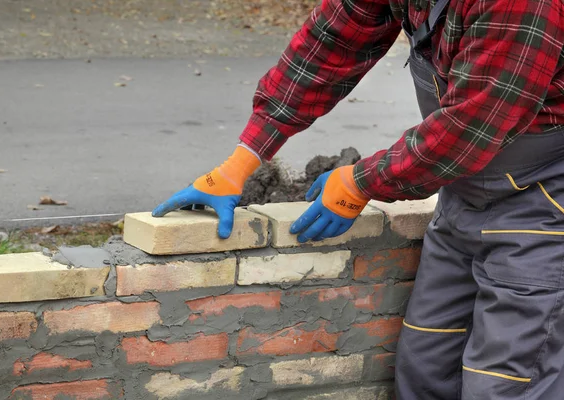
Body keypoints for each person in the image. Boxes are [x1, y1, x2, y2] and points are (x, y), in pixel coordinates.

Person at [152, 0, 564, 398]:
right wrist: (239, 164)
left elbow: (472, 126)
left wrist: (360, 183)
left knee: (504, 383)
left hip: (544, 201)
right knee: (425, 367)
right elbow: (330, 45)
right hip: (463, 194)